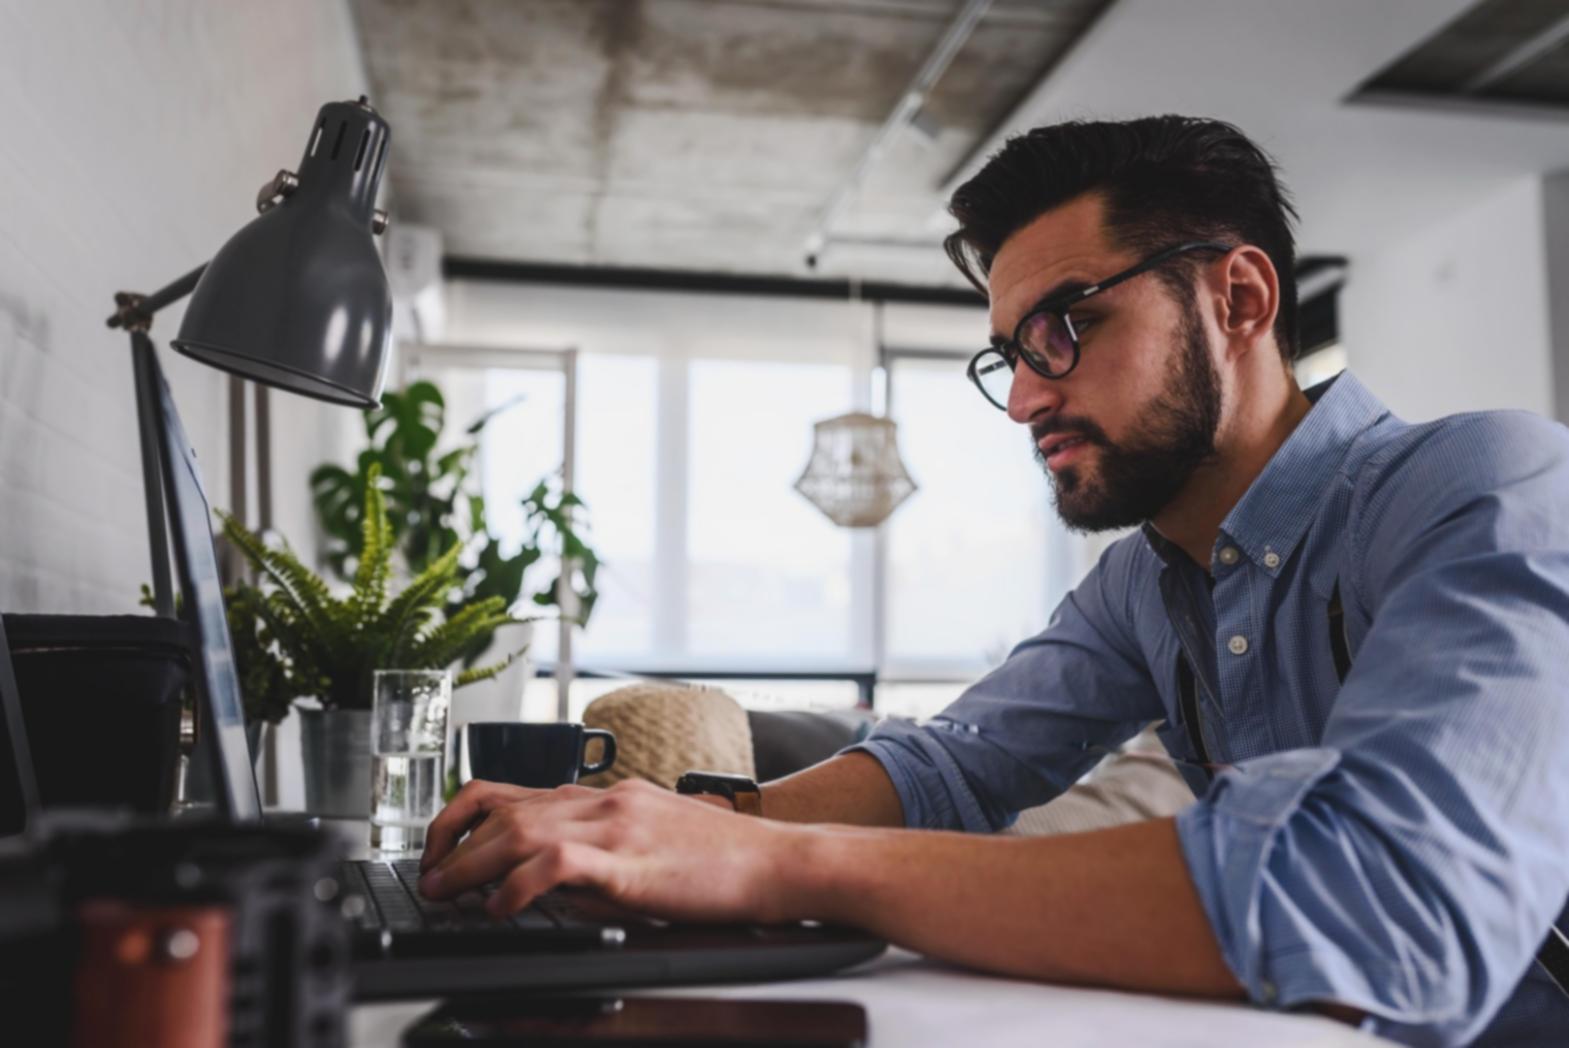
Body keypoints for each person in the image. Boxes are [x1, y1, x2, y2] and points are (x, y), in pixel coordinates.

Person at [416, 116, 1569, 1046]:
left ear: (1241, 300)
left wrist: (778, 857)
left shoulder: (1487, 483)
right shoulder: (1146, 580)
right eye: (1011, 353)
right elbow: (956, 762)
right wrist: (661, 834)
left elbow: (1385, 903)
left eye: (1067, 326)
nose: (1024, 399)